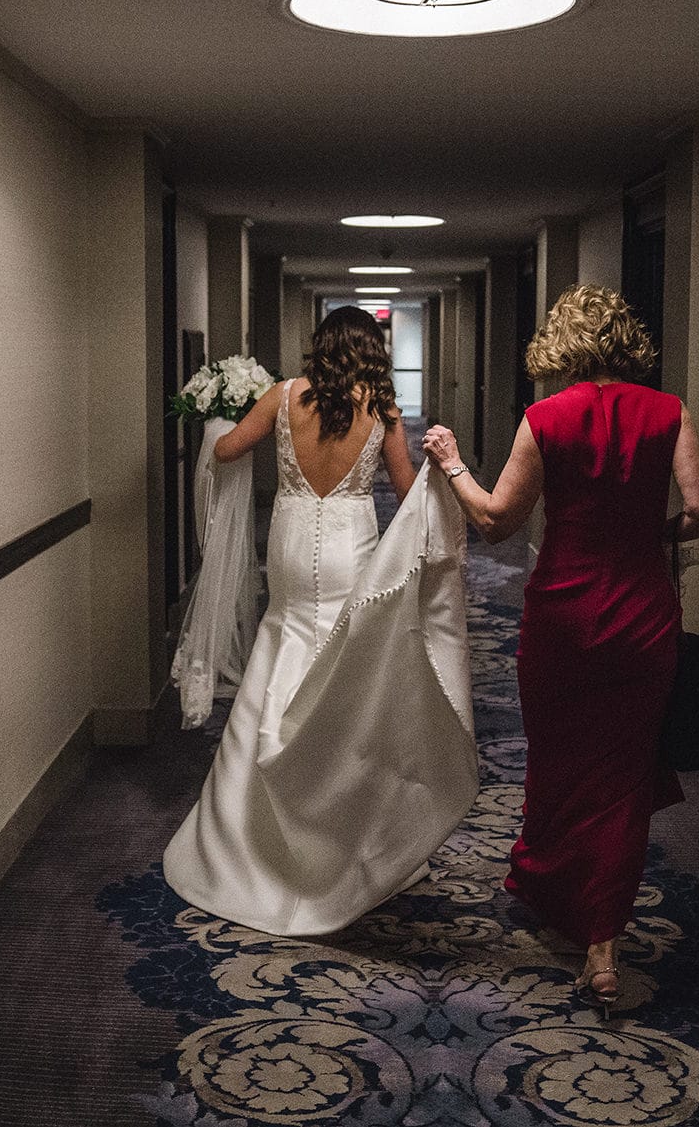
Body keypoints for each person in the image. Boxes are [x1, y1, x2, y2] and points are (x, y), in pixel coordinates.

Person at [421, 283, 699, 1011]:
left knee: (557, 763)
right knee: (622, 778)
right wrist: (652, 535)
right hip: (643, 617)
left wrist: (452, 460)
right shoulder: (669, 411)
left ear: (561, 344)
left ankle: (551, 882)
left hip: (563, 616)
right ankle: (603, 942)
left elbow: (496, 521)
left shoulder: (543, 418)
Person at [165, 306, 478, 936]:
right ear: (369, 351)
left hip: (288, 541)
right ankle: (336, 828)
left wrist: (216, 412)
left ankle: (246, 834)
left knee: (279, 653)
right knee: (339, 672)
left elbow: (225, 452)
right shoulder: (382, 411)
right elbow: (405, 487)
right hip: (347, 547)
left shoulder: (282, 397)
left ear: (320, 346)